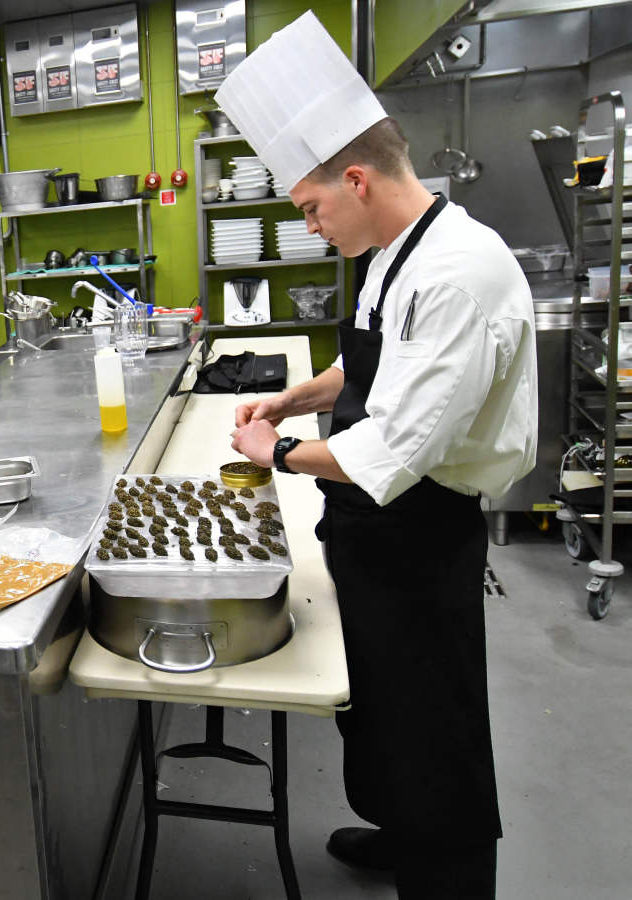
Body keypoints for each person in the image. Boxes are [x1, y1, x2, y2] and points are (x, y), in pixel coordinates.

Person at [219, 13, 537, 899]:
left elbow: (390, 450)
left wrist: (273, 449)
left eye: (313, 208)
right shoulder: (394, 252)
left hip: (421, 532)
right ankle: (401, 834)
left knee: (436, 731)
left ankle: (448, 877)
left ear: (356, 179)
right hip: (371, 533)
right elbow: (365, 368)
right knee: (383, 713)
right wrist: (297, 397)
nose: (313, 226)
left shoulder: (459, 273)